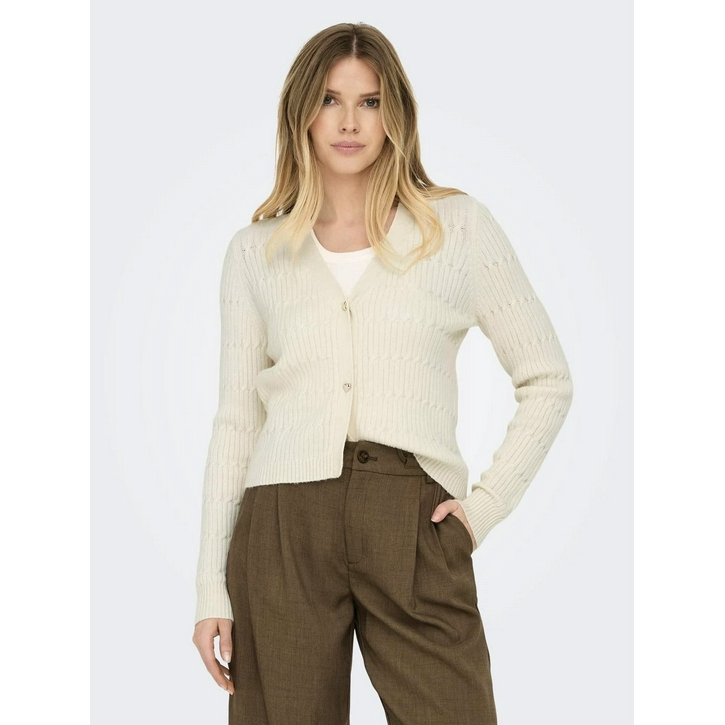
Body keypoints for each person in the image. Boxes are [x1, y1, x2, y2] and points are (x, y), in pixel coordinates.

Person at [191, 21, 573, 725]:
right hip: (282, 523)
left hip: (412, 518)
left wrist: (481, 511)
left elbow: (547, 378)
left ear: (395, 113)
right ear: (301, 113)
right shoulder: (254, 252)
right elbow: (237, 420)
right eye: (330, 100)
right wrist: (210, 587)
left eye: (369, 102)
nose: (349, 122)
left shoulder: (456, 228)